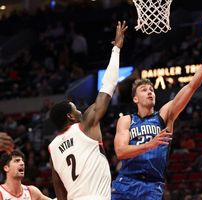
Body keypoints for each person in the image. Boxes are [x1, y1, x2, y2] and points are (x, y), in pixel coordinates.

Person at [111, 36, 202, 199]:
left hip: (152, 186)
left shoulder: (165, 115)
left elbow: (191, 86)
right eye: (144, 90)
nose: (149, 92)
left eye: (151, 89)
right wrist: (150, 144)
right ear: (135, 99)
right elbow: (121, 152)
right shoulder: (126, 120)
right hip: (126, 182)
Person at [48, 21, 127, 200]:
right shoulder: (84, 125)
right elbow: (108, 86)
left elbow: (60, 193)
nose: (80, 111)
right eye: (75, 109)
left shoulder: (53, 149)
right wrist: (116, 50)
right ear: (70, 116)